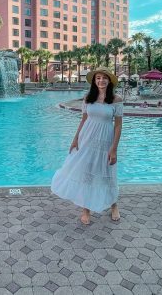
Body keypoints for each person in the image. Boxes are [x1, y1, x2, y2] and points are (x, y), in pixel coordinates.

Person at [51, 67, 123, 225]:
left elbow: (118, 126)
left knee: (107, 175)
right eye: (98, 78)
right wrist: (75, 139)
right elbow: (84, 120)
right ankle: (86, 209)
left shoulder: (116, 99)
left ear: (109, 80)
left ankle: (114, 205)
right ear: (94, 81)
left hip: (105, 141)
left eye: (104, 78)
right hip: (87, 140)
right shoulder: (88, 97)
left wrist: (114, 149)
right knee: (86, 174)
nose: (101, 80)